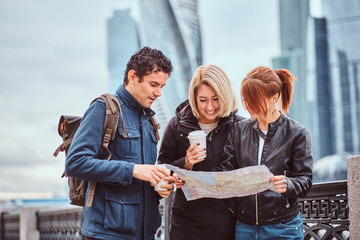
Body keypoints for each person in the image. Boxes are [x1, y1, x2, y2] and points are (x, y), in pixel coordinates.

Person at [65, 46, 181, 240]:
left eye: (162, 86)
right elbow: (75, 163)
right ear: (133, 77)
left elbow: (140, 179)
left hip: (144, 233)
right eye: (154, 84)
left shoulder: (149, 121)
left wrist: (158, 187)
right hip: (106, 234)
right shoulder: (103, 108)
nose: (159, 93)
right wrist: (133, 169)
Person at [221, 66, 313, 239]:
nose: (248, 105)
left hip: (283, 227)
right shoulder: (238, 130)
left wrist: (288, 184)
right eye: (246, 99)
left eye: (254, 99)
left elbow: (305, 180)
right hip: (244, 227)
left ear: (274, 98)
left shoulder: (297, 133)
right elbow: (225, 169)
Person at [157, 64, 245, 240]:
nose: (210, 107)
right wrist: (186, 163)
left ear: (225, 95)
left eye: (215, 99)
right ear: (193, 98)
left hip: (227, 220)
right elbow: (162, 168)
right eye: (203, 100)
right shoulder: (177, 126)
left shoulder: (240, 126)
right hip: (186, 221)